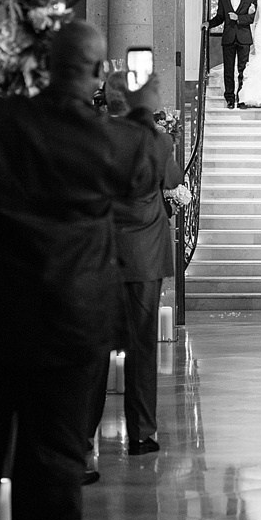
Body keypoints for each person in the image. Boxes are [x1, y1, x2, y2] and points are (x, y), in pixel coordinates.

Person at [0, 20, 171, 520]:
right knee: (55, 456)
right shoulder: (108, 138)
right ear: (99, 74)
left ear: (45, 63)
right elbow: (151, 169)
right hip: (72, 321)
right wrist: (141, 109)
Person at [86, 75, 183, 468]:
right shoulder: (157, 139)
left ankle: (81, 439)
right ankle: (142, 432)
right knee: (142, 346)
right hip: (144, 249)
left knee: (94, 348)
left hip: (101, 249)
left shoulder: (92, 135)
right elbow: (172, 181)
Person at [203, 0, 256, 109]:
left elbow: (252, 18)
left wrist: (238, 18)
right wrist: (208, 23)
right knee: (228, 69)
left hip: (244, 38)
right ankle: (230, 99)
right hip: (228, 38)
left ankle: (242, 98)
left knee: (243, 70)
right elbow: (219, 18)